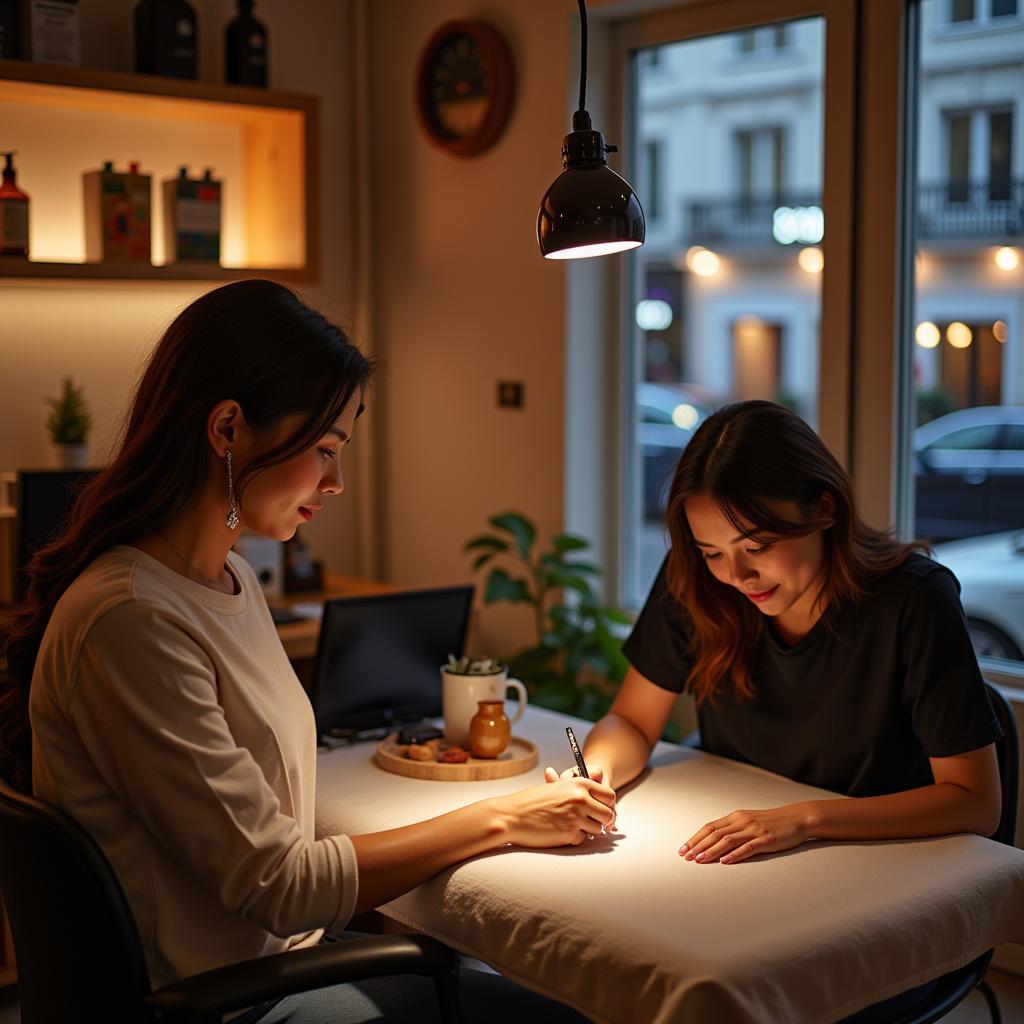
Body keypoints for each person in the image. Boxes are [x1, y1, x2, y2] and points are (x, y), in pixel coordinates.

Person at [0, 280, 613, 1024]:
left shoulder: (226, 581)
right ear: (227, 429)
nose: (337, 482)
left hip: (269, 963)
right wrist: (504, 816)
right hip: (226, 1003)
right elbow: (281, 885)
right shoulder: (134, 621)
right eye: (324, 449)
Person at [547, 399, 1001, 860]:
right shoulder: (698, 579)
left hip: (880, 862)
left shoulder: (915, 599)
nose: (737, 575)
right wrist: (596, 774)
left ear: (823, 508)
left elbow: (976, 802)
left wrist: (804, 819)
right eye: (712, 551)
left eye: (758, 545)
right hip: (741, 849)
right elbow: (632, 721)